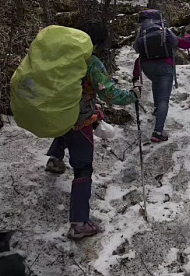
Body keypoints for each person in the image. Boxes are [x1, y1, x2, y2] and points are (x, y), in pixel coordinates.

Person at [44, 20, 141, 239]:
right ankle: (79, 223)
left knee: (65, 127)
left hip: (58, 111)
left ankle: (54, 158)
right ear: (97, 43)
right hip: (79, 119)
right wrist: (132, 95)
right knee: (83, 168)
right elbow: (109, 94)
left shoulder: (62, 54)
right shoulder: (91, 62)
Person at [132, 9, 190, 143]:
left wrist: (135, 76)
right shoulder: (164, 32)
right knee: (164, 99)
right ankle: (158, 131)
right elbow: (182, 43)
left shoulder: (142, 35)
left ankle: (157, 110)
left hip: (147, 68)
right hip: (165, 67)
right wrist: (189, 39)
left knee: (156, 82)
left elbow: (137, 52)